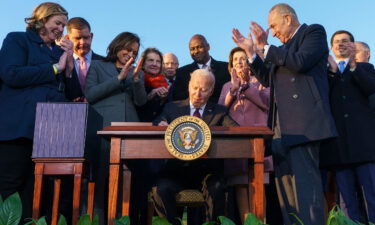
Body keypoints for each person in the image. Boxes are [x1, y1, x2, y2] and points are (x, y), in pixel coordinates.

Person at [231, 3, 337, 225]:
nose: (272, 31)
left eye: (273, 25)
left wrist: (265, 46)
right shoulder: (280, 51)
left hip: (304, 126)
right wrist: (252, 53)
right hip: (280, 128)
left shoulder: (313, 32)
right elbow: (268, 79)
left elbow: (299, 62)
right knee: (286, 195)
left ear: (288, 19)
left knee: (306, 191)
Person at [0, 2, 72, 221]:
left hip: (49, 133)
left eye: (64, 26)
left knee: (37, 191)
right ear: (42, 19)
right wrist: (54, 68)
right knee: (9, 184)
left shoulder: (59, 52)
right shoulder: (17, 40)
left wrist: (67, 65)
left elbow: (73, 91)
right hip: (18, 127)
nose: (61, 29)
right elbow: (11, 74)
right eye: (57, 23)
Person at [152, 69, 238, 225]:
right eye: (195, 88)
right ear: (189, 86)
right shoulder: (172, 108)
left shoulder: (219, 112)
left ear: (211, 91)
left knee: (218, 187)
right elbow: (158, 122)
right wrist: (161, 125)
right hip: (175, 171)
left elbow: (236, 132)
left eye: (203, 90)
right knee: (160, 189)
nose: (198, 93)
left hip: (206, 173)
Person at [84, 31, 147, 224]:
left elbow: (141, 102)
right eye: (128, 50)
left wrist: (135, 80)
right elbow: (91, 94)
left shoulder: (138, 72)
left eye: (135, 52)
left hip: (129, 133)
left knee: (124, 183)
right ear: (118, 46)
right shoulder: (98, 66)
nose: (131, 55)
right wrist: (119, 78)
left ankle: (122, 220)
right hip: (103, 131)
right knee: (100, 182)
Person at [321, 30, 375, 223]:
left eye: (345, 41)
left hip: (364, 146)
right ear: (331, 47)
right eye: (336, 42)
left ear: (353, 45)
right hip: (339, 148)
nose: (340, 44)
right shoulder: (326, 74)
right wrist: (332, 73)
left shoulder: (365, 68)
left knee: (371, 197)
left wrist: (353, 65)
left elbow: (371, 89)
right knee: (346, 201)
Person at [218, 47, 270, 223]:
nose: (239, 62)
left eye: (243, 59)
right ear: (231, 65)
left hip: (258, 140)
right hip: (236, 141)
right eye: (235, 60)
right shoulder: (226, 85)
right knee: (240, 183)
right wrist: (232, 91)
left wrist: (247, 85)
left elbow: (266, 104)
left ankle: (260, 221)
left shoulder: (262, 81)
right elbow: (219, 112)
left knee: (258, 184)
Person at [172, 34, 230, 103]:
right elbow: (177, 97)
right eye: (192, 49)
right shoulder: (182, 72)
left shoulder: (226, 68)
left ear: (208, 47)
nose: (196, 51)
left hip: (219, 111)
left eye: (199, 47)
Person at [65, 17, 104, 102]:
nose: (83, 42)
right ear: (67, 38)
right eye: (77, 38)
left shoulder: (105, 63)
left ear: (92, 36)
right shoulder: (61, 62)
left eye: (86, 37)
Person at [137, 48, 169, 122]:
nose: (154, 64)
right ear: (143, 63)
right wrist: (151, 94)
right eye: (150, 60)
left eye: (158, 61)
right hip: (140, 126)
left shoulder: (165, 83)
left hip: (160, 127)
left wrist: (163, 99)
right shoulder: (137, 80)